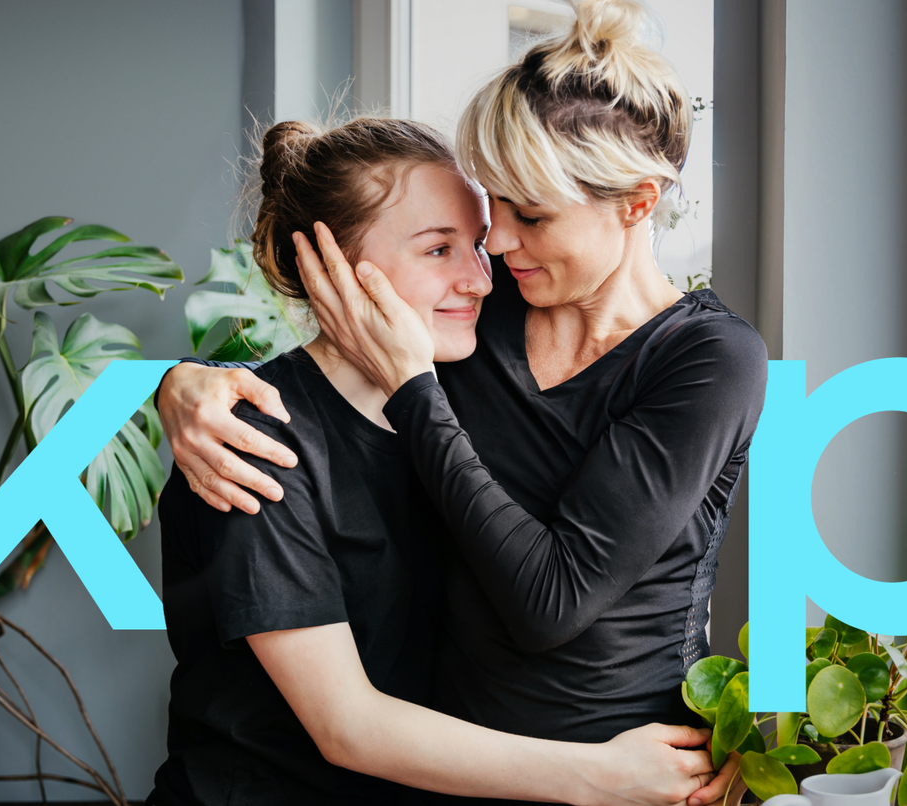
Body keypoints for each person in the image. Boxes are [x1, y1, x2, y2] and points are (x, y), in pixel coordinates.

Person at [157, 2, 768, 803]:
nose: (493, 259)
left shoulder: (684, 355)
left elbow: (552, 595)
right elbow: (348, 724)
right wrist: (174, 385)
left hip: (624, 768)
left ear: (639, 204)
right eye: (473, 233)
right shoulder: (455, 337)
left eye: (524, 219)